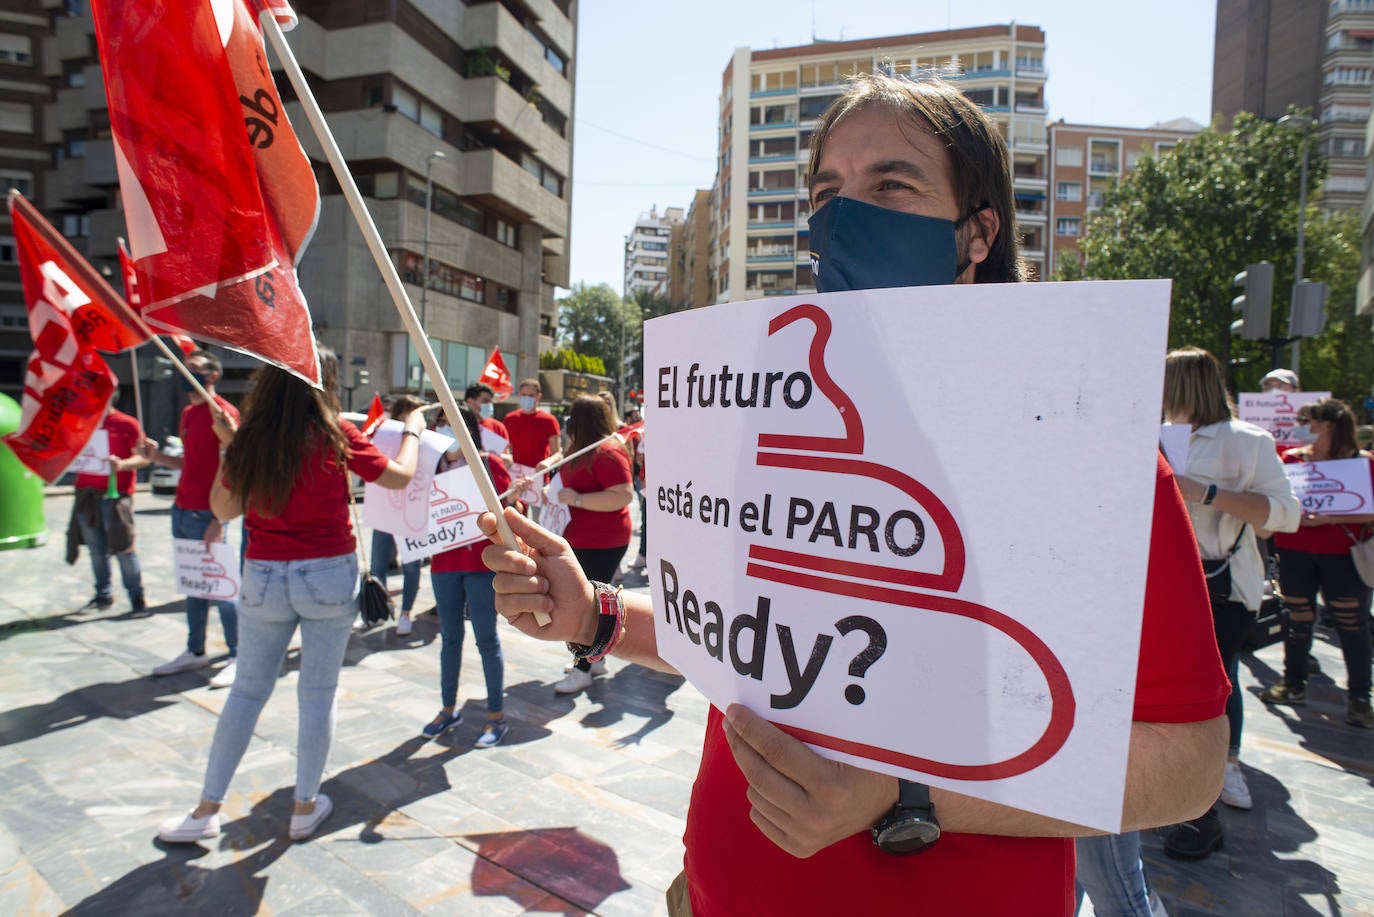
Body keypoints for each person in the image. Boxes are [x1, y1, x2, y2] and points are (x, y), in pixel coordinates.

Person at [479, 72, 1229, 916]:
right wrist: (595, 615)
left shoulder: (1084, 449)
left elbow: (1191, 764)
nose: (845, 217)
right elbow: (744, 642)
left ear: (977, 232)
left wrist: (910, 798)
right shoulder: (769, 423)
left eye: (891, 185)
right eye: (827, 193)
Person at [156, 347, 426, 844]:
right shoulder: (335, 434)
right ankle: (304, 806)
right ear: (326, 381)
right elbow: (399, 476)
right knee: (317, 695)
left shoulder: (252, 438)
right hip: (328, 574)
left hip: (264, 574)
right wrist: (412, 431)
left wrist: (229, 447)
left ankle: (206, 809)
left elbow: (223, 508)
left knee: (246, 693)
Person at [1140, 349, 1295, 872]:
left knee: (1212, 680)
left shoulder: (1248, 441)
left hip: (1221, 582)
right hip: (1156, 578)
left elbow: (1285, 516)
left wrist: (1204, 492)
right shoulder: (1148, 433)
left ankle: (1209, 790)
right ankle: (1181, 788)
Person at [1262, 397, 1374, 729]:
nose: (1301, 427)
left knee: (1351, 625)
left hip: (1343, 556)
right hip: (1295, 551)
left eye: (1308, 421)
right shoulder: (1292, 460)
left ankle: (1360, 700)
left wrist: (1329, 519)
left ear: (1327, 426)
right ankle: (1293, 684)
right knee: (1296, 617)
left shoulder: (1363, 464)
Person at [141, 351, 242, 687]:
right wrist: (156, 456)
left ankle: (238, 654)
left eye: (195, 369)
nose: (186, 374)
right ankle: (195, 649)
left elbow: (234, 467)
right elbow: (190, 463)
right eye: (185, 368)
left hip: (207, 514)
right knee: (194, 583)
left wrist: (218, 518)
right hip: (182, 510)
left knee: (222, 586)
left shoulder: (223, 414)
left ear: (213, 375)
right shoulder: (188, 413)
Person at [422, 406, 513, 747]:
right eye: (441, 423)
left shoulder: (487, 464)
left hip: (480, 565)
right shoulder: (428, 467)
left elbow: (510, 512)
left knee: (486, 639)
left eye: (453, 423)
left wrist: (514, 499)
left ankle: (495, 716)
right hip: (443, 565)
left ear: (469, 428)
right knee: (450, 639)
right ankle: (448, 709)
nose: (446, 429)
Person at [550, 395, 635, 695]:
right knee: (591, 604)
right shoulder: (580, 449)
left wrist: (578, 499)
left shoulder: (608, 452)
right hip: (583, 540)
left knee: (589, 607)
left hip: (603, 542)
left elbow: (623, 495)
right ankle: (593, 660)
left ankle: (583, 667)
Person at [69, 405, 150, 612]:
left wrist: (121, 465)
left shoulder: (127, 423)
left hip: (116, 497)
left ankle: (136, 597)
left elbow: (143, 457)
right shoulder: (79, 421)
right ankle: (103, 595)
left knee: (124, 548)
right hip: (87, 496)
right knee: (96, 550)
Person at [369, 395, 426, 636]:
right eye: (406, 413)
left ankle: (405, 613)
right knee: (377, 564)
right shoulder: (384, 436)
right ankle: (378, 609)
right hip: (385, 508)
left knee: (411, 567)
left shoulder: (427, 439)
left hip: (412, 512)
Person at [503, 378, 562, 518]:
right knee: (515, 519)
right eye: (524, 395)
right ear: (519, 395)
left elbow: (558, 453)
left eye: (531, 395)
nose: (526, 398)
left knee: (538, 522)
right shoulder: (510, 419)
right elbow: (505, 448)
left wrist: (548, 462)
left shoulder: (549, 420)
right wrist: (506, 458)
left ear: (538, 397)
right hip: (516, 478)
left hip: (539, 480)